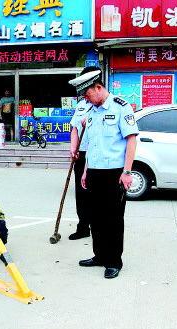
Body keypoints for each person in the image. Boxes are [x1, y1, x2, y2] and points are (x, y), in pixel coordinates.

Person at [69, 66, 139, 279]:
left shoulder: (121, 107)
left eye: (88, 94)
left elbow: (131, 140)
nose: (86, 99)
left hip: (114, 172)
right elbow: (92, 145)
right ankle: (99, 255)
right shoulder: (91, 111)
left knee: (113, 219)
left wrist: (127, 171)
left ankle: (113, 261)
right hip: (94, 172)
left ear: (98, 88)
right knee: (96, 217)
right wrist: (85, 171)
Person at [68, 98, 93, 240]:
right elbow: (75, 128)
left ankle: (98, 226)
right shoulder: (81, 105)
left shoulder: (104, 105)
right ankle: (83, 227)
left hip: (97, 155)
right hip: (81, 154)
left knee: (94, 193)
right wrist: (73, 148)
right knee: (81, 193)